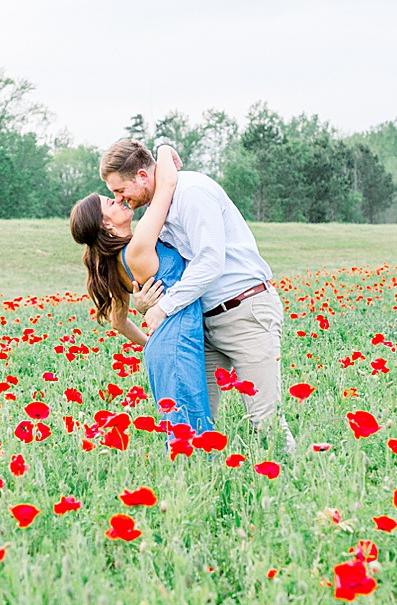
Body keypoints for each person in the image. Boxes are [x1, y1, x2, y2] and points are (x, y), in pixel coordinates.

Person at [98, 139, 292, 450]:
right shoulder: (159, 207)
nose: (120, 199)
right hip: (204, 322)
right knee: (196, 423)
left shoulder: (192, 193)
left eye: (121, 191)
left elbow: (210, 260)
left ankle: (291, 487)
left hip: (244, 311)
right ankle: (207, 489)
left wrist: (165, 308)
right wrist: (145, 300)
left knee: (265, 421)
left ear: (142, 177)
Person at [67, 144, 214, 437]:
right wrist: (163, 148)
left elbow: (118, 322)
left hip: (167, 341)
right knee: (190, 429)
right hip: (177, 339)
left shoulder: (116, 262)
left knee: (185, 426)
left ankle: (185, 479)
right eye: (110, 202)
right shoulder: (137, 247)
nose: (118, 200)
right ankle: (187, 480)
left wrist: (152, 343)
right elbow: (168, 183)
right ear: (107, 225)